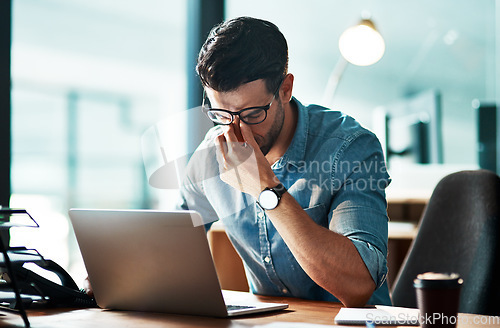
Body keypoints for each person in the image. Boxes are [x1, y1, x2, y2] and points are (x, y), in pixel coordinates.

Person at [177, 16, 392, 307]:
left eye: (252, 114)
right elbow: (171, 247)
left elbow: (358, 285)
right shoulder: (212, 156)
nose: (236, 132)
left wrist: (267, 190)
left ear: (285, 89)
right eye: (222, 115)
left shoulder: (350, 147)